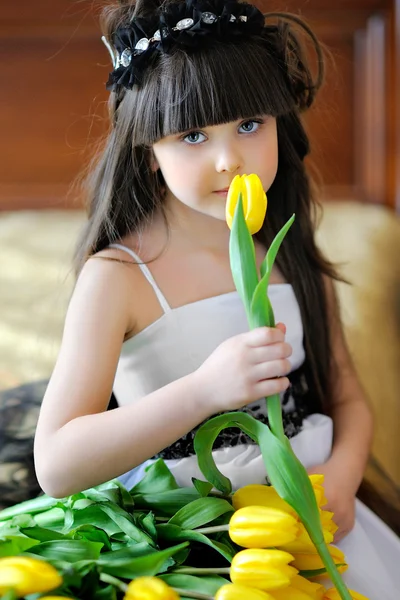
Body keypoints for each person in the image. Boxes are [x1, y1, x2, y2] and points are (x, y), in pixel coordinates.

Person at [33, 0, 400, 597]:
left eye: (250, 125)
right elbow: (56, 464)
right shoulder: (121, 277)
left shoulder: (289, 258)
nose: (229, 159)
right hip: (197, 547)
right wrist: (205, 390)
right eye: (194, 135)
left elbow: (349, 400)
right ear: (148, 151)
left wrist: (340, 477)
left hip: (314, 526)